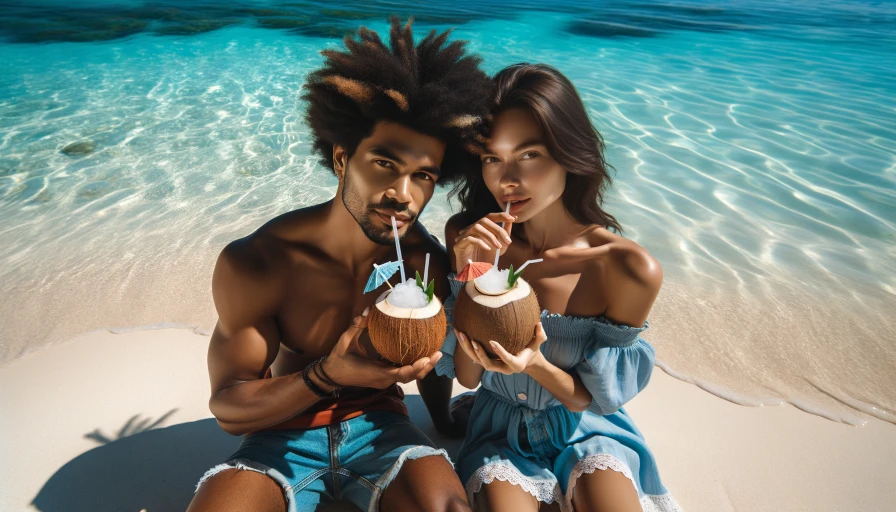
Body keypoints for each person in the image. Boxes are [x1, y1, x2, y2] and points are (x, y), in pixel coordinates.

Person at [188, 19, 493, 512]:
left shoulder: (423, 260)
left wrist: (441, 420)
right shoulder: (261, 262)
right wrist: (325, 375)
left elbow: (431, 360)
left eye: (423, 176)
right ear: (341, 157)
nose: (403, 194)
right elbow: (227, 406)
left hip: (383, 428)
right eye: (385, 164)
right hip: (280, 433)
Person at [438, 63, 681, 512]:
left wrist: (533, 364)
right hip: (498, 430)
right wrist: (467, 276)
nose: (506, 179)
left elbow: (597, 400)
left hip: (587, 426)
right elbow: (468, 377)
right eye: (492, 158)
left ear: (570, 152)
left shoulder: (625, 267)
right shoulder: (469, 239)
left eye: (529, 155)